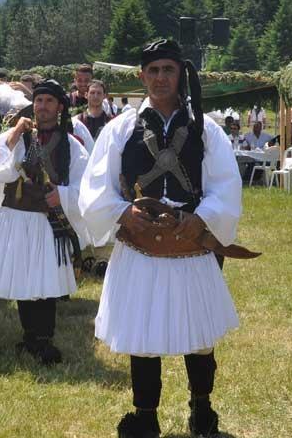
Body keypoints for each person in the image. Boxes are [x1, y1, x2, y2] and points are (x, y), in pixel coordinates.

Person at [79, 39, 243, 438]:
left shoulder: (206, 129)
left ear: (180, 74)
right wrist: (122, 212)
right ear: (142, 76)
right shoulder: (120, 129)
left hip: (191, 246)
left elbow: (226, 183)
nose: (160, 78)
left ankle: (201, 410)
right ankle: (145, 417)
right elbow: (96, 184)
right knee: (142, 336)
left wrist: (201, 217)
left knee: (200, 337)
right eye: (152, 71)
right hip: (140, 245)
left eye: (168, 70)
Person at [0, 80, 88, 365]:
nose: (42, 107)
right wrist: (13, 132)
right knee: (24, 279)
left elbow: (85, 186)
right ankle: (29, 336)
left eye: (49, 101)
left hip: (47, 220)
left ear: (60, 107)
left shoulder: (71, 146)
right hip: (15, 217)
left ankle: (44, 339)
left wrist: (61, 195)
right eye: (38, 101)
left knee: (45, 281)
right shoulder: (19, 137)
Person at [75, 79, 112, 151]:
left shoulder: (112, 122)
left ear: (104, 96)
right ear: (86, 95)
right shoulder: (77, 122)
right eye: (92, 93)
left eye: (99, 93)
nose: (95, 96)